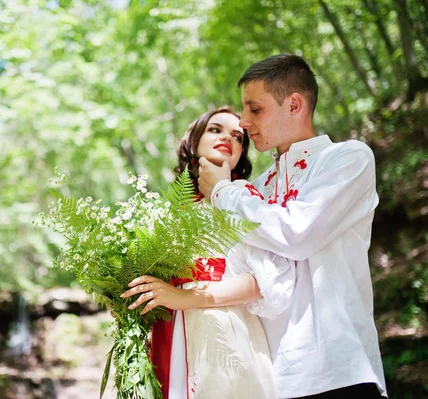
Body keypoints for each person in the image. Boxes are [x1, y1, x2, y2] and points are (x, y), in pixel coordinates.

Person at [196, 54, 387, 398]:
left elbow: (296, 233)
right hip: (271, 376)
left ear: (295, 104)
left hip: (338, 370)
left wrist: (223, 192)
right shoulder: (260, 184)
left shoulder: (347, 159)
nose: (243, 122)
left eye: (255, 109)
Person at [122, 106, 296, 399]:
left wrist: (182, 296)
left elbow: (262, 282)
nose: (227, 138)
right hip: (171, 333)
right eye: (215, 129)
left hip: (224, 333)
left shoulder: (242, 196)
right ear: (194, 140)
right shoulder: (170, 211)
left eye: (238, 137)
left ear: (242, 154)